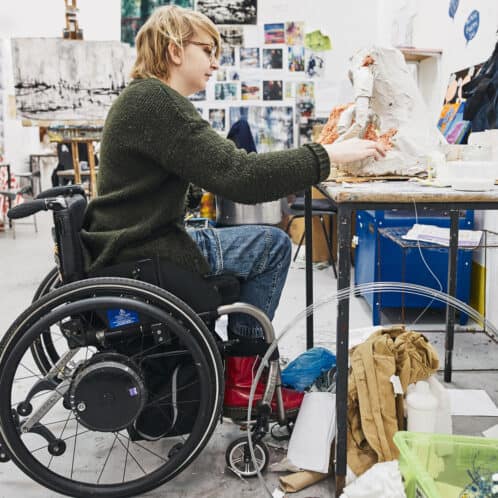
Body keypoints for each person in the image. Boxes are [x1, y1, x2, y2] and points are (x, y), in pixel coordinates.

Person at [81, 5, 386, 341]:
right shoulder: (157, 101)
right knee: (272, 244)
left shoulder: (144, 97)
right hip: (143, 250)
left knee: (233, 232)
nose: (215, 62)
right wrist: (326, 155)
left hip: (132, 241)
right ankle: (246, 364)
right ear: (174, 50)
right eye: (208, 50)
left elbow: (170, 182)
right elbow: (242, 177)